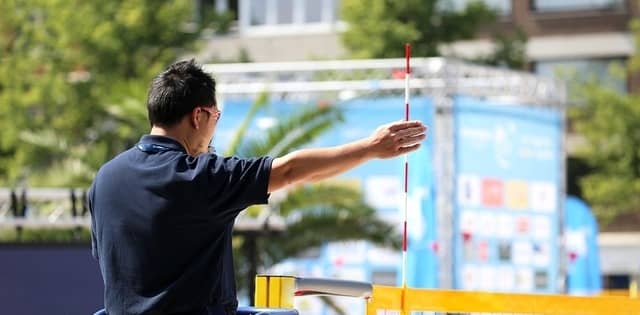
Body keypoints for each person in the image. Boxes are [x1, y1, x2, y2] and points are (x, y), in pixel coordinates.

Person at [88, 59, 427, 315]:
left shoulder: (105, 178)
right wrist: (370, 147)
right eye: (216, 119)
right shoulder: (201, 176)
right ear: (199, 116)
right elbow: (291, 170)